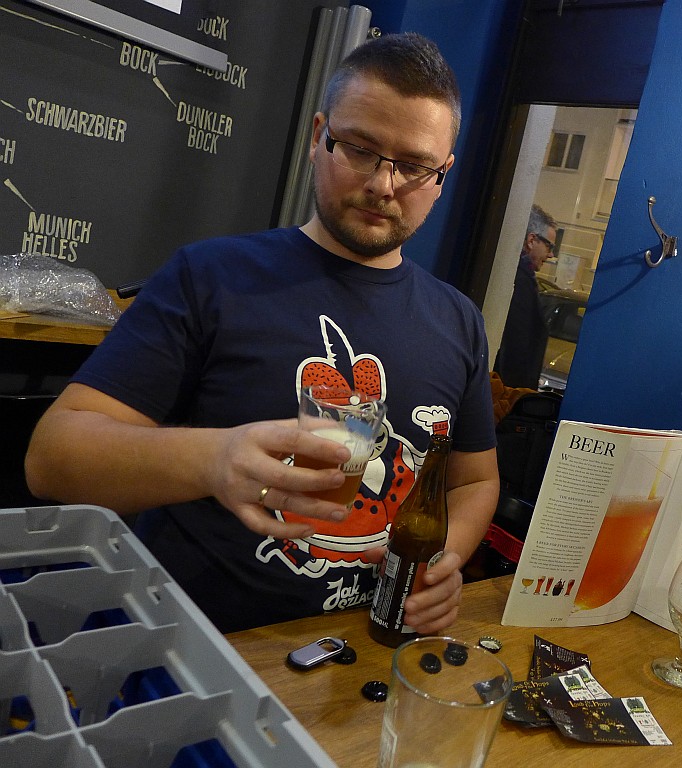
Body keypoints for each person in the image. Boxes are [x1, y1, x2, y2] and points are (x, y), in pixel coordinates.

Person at [24, 33, 499, 635]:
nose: (384, 185)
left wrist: (439, 560)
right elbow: (53, 457)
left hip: (363, 653)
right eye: (360, 150)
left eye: (412, 166)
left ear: (443, 174)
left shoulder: (458, 321)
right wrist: (213, 459)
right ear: (318, 137)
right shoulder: (211, 277)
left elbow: (475, 479)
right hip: (199, 646)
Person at [492, 204, 557, 388]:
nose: (551, 254)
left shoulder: (518, 274)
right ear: (531, 240)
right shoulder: (519, 280)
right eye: (549, 246)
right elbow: (515, 343)